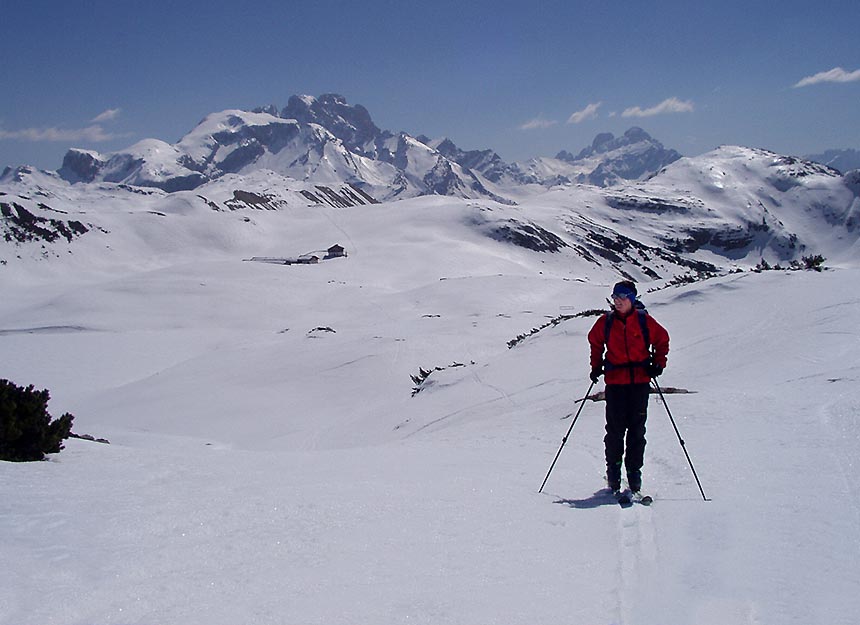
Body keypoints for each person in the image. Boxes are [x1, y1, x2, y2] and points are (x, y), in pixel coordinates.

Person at [587, 280, 669, 494]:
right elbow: (595, 342)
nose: (617, 301)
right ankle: (613, 471)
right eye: (615, 297)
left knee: (636, 431)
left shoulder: (643, 321)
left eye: (622, 297)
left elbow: (662, 340)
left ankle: (634, 472)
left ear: (632, 299)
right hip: (615, 384)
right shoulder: (605, 322)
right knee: (614, 431)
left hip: (639, 383)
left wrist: (659, 363)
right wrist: (595, 366)